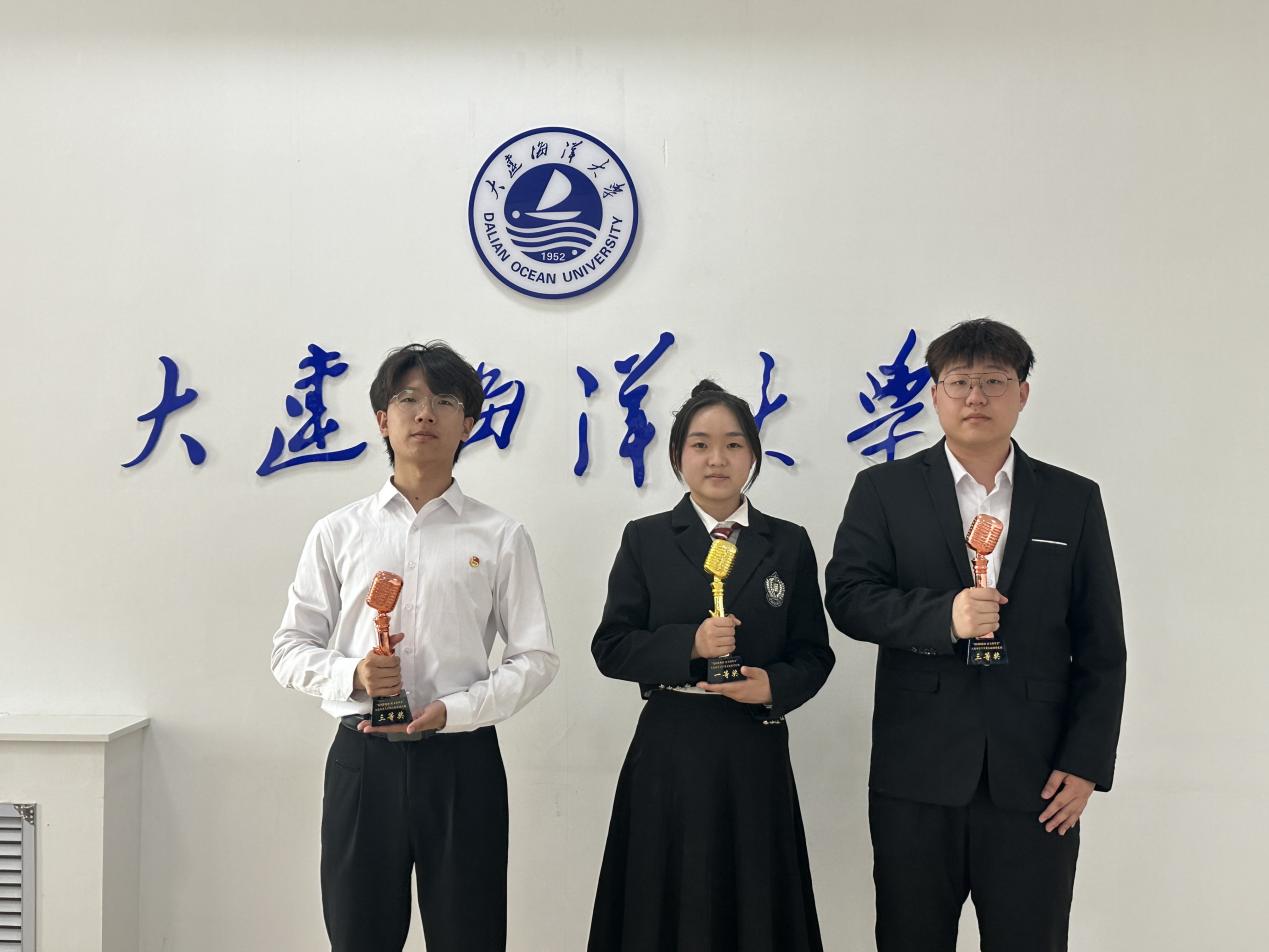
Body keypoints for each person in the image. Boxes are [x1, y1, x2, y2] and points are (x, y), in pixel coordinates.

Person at [824, 319, 1126, 951]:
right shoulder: (884, 490)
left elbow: (1101, 645)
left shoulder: (1073, 499)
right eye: (959, 382)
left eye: (994, 381)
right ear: (935, 395)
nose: (976, 397)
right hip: (917, 775)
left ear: (1023, 394)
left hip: (1038, 780)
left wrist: (1085, 764)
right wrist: (944, 617)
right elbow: (849, 599)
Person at [270, 341, 559, 952]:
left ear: (468, 424)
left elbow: (536, 657)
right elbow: (289, 649)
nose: (425, 413)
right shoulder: (338, 532)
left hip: (463, 764)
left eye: (444, 401)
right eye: (408, 399)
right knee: (359, 937)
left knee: (470, 936)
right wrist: (353, 674)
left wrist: (456, 710)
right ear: (383, 419)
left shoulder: (500, 535)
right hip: (362, 762)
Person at [588, 380, 835, 952]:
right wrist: (690, 645)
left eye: (733, 444)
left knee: (752, 899)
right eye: (700, 444)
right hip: (670, 747)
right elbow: (612, 647)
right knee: (665, 899)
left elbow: (814, 653)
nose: (717, 459)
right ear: (678, 456)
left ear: (753, 456)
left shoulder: (787, 543)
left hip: (754, 746)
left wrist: (774, 686)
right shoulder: (646, 539)